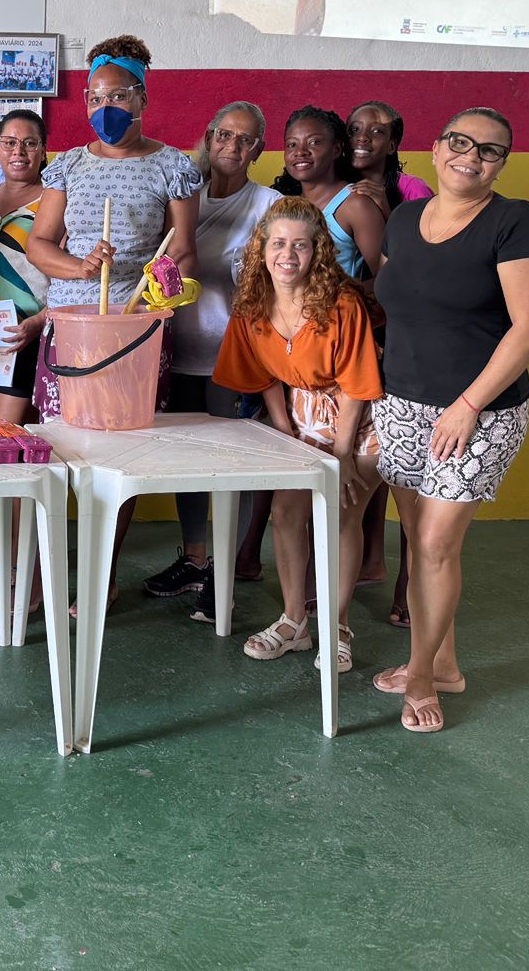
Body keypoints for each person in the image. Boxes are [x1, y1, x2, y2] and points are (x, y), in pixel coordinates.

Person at [371, 107, 529, 733]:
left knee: (436, 544)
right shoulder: (401, 218)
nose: (470, 157)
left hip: (478, 411)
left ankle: (421, 678)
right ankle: (443, 662)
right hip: (401, 402)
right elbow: (397, 303)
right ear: (436, 145)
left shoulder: (515, 221)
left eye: (490, 150)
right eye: (459, 142)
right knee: (418, 543)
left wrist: (468, 405)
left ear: (503, 163)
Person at [25, 34, 200, 609]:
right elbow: (40, 246)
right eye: (97, 97)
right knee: (58, 449)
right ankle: (39, 577)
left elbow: (184, 251)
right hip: (71, 329)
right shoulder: (67, 167)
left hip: (135, 332)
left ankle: (101, 571)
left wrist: (162, 287)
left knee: (118, 459)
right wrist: (79, 264)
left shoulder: (174, 167)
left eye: (120, 96)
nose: (108, 108)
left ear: (143, 99)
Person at [213, 197, 384, 674]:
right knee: (286, 512)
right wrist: (284, 431)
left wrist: (343, 454)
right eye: (279, 243)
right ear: (261, 248)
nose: (288, 255)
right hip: (301, 410)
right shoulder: (250, 305)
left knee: (341, 514)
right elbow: (262, 375)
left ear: (318, 253)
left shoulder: (341, 304)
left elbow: (356, 383)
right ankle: (295, 623)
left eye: (301, 246)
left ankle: (339, 626)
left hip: (360, 416)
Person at [144, 101, 280, 622]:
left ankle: (224, 571)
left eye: (244, 140)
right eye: (223, 134)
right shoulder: (183, 196)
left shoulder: (268, 203)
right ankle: (195, 561)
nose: (232, 146)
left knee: (231, 468)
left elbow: (272, 277)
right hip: (175, 351)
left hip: (234, 356)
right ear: (208, 136)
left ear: (257, 150)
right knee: (187, 466)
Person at [344, 99, 432, 615]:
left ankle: (408, 584)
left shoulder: (412, 192)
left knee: (405, 470)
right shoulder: (338, 187)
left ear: (394, 142)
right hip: (352, 343)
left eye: (377, 132)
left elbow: (421, 265)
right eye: (356, 128)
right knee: (370, 463)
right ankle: (368, 562)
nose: (364, 139)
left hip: (399, 339)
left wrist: (389, 210)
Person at [0, 108, 51, 631]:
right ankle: (8, 553)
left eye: (28, 142)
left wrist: (41, 321)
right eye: (8, 142)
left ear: (44, 149)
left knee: (16, 463)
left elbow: (72, 280)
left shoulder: (56, 201)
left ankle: (29, 580)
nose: (18, 151)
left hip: (29, 336)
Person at [270, 106, 385, 281]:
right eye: (292, 144)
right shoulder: (282, 203)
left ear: (336, 150)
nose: (300, 152)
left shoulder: (355, 204)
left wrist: (342, 298)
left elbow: (386, 278)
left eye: (314, 142)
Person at [346, 100, 434, 218]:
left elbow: (426, 235)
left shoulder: (414, 189)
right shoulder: (331, 183)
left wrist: (384, 208)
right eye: (354, 130)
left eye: (377, 131)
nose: (362, 137)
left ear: (391, 146)